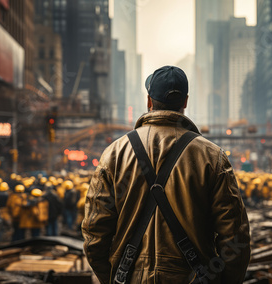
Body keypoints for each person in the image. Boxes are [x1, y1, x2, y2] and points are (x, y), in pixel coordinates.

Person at [82, 66, 251, 284]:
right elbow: (235, 237)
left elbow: (94, 234)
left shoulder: (114, 154)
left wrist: (112, 277)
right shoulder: (212, 157)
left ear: (149, 101)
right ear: (185, 102)